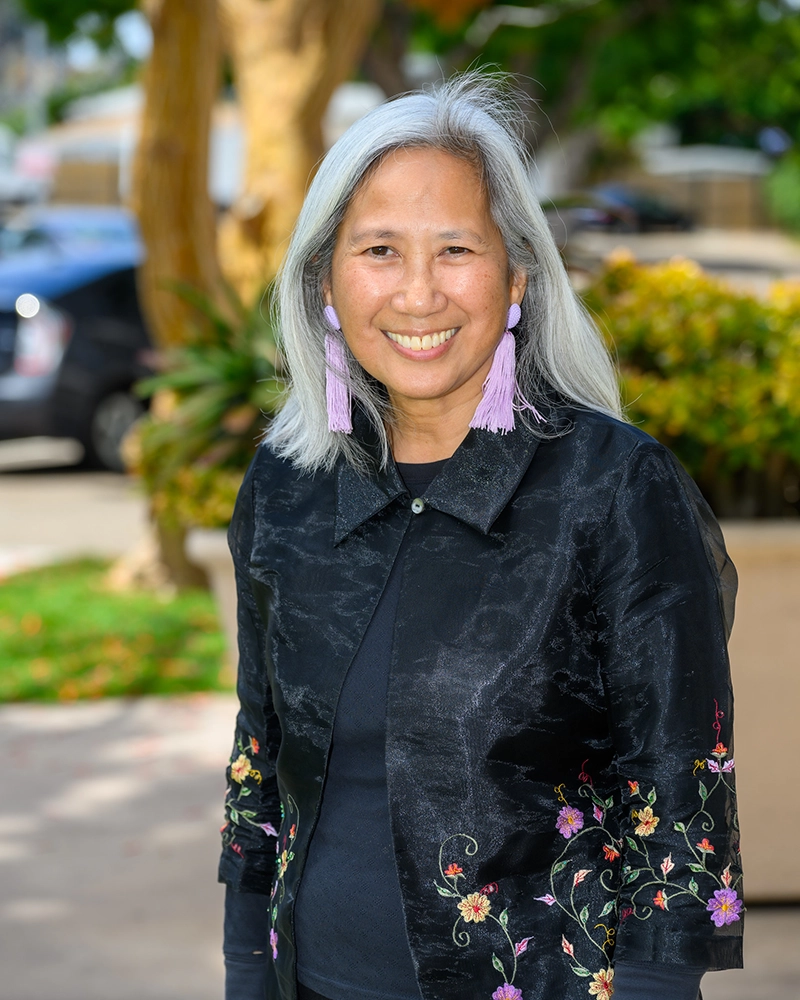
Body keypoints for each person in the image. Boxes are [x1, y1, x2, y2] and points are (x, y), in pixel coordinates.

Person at [219, 75, 742, 1000]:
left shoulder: (612, 486)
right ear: (326, 280)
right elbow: (262, 759)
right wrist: (244, 969)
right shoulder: (287, 486)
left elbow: (677, 784)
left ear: (516, 278)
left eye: (455, 248)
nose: (418, 293)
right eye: (379, 249)